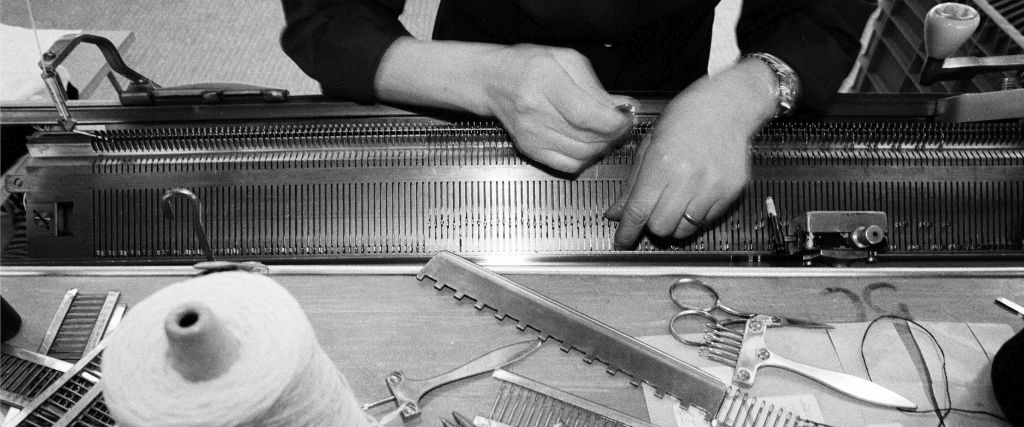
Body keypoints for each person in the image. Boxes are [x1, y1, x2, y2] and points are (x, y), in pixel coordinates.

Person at [280, 0, 874, 248]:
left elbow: (822, 12)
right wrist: (486, 78)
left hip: (672, 91)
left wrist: (746, 92)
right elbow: (330, 18)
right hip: (470, 82)